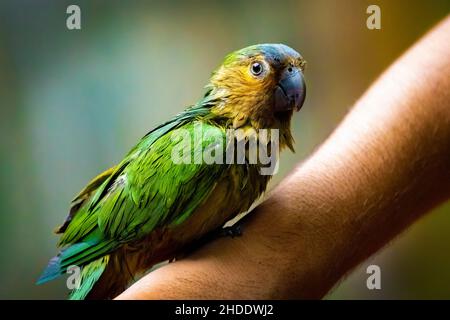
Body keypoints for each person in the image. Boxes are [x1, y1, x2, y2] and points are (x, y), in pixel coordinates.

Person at [116, 16, 450, 299]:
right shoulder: (203, 141)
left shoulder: (259, 154)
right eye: (258, 70)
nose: (289, 81)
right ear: (225, 80)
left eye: (292, 71)